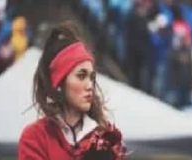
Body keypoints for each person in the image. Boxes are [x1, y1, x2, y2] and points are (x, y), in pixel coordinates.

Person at [18, 21, 126, 160]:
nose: (90, 85)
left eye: (92, 77)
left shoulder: (105, 138)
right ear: (59, 82)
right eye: (81, 76)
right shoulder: (35, 137)